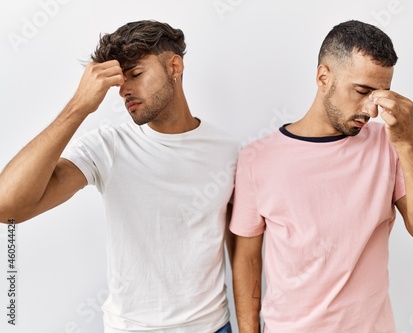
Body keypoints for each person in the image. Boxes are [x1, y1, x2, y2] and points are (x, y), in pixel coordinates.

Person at [0, 20, 238, 333]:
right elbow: (8, 207)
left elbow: (243, 257)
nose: (124, 90)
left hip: (212, 327)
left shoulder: (228, 151)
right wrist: (79, 106)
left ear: (174, 66)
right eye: (120, 82)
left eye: (136, 74)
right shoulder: (108, 147)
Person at [230, 20, 413, 332]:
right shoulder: (257, 159)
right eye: (362, 91)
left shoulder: (390, 145)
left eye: (380, 94)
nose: (371, 110)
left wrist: (409, 142)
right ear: (323, 77)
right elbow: (247, 262)